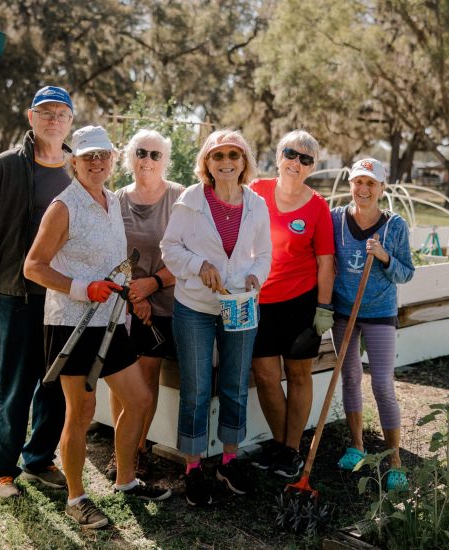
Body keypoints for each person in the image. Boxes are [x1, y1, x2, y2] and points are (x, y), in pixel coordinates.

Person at [24, 125, 171, 530]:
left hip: (111, 320)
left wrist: (130, 303)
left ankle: (125, 481)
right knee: (82, 411)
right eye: (88, 156)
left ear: (111, 159)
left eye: (103, 155)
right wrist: (81, 287)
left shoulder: (112, 201)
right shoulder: (63, 206)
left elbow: (113, 263)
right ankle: (77, 498)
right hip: (71, 324)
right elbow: (33, 266)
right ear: (74, 161)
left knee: (138, 400)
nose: (96, 162)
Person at [161, 129, 271, 506]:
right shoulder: (190, 200)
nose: (226, 162)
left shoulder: (256, 204)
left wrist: (257, 276)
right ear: (206, 163)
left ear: (244, 163)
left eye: (234, 155)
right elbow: (169, 249)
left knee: (236, 383)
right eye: (217, 155)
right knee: (196, 388)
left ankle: (227, 460)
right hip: (194, 306)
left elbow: (264, 255)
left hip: (239, 305)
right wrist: (198, 265)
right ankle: (193, 468)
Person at [0, 85, 74, 498]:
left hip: (64, 297)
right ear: (30, 117)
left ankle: (38, 459)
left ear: (70, 121)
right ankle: (4, 470)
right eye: (45, 112)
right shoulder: (6, 166)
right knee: (14, 386)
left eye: (61, 113)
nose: (53, 119)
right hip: (15, 294)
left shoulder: (79, 169)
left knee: (55, 385)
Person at [249, 130, 335, 478]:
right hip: (258, 302)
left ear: (312, 167)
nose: (296, 163)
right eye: (290, 154)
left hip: (301, 304)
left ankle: (291, 449)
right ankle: (281, 443)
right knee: (267, 377)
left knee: (299, 376)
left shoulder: (317, 206)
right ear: (278, 155)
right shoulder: (256, 190)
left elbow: (326, 262)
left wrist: (324, 308)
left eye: (305, 159)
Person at [104, 130, 184, 481]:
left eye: (155, 155)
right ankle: (119, 451)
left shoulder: (179, 198)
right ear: (129, 158)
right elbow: (109, 254)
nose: (147, 160)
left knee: (146, 377)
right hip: (123, 304)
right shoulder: (116, 200)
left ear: (164, 160)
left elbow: (190, 254)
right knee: (122, 378)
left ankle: (137, 451)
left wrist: (152, 285)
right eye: (141, 153)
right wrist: (135, 296)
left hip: (165, 304)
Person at [331, 158, 414, 491]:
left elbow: (407, 272)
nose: (363, 189)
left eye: (371, 184)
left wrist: (384, 257)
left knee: (381, 384)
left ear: (382, 188)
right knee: (350, 378)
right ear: (350, 184)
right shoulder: (335, 219)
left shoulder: (395, 226)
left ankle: (395, 461)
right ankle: (357, 447)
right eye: (358, 182)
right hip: (344, 312)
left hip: (379, 312)